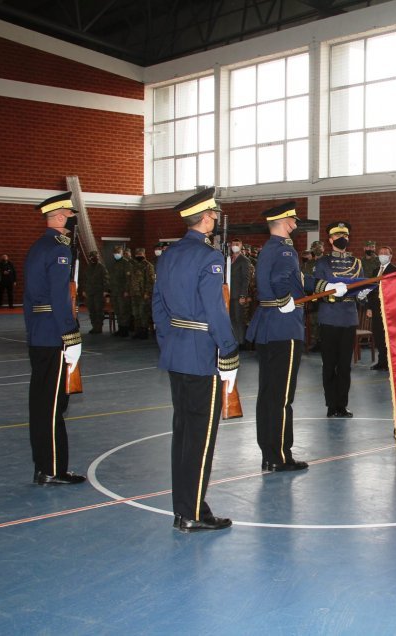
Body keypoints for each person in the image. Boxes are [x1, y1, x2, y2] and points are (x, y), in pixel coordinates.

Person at [152, 187, 239, 532]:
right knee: (201, 437)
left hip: (176, 351)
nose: (216, 220)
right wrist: (229, 349)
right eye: (214, 215)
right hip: (203, 353)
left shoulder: (169, 255)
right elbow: (215, 310)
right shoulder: (209, 258)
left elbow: (157, 306)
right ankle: (193, 512)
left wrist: (168, 339)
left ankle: (183, 507)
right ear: (205, 218)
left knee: (183, 433)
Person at [247, 202, 345, 471]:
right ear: (283, 222)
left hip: (269, 327)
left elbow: (299, 280)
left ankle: (269, 452)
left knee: (269, 394)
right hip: (284, 326)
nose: (294, 223)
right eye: (292, 219)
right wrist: (283, 299)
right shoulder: (285, 250)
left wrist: (328, 286)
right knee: (281, 397)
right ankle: (280, 456)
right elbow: (282, 281)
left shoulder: (270, 249)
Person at [23, 192, 85, 485]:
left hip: (39, 331)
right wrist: (71, 333)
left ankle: (44, 465)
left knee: (42, 402)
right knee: (52, 405)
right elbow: (61, 297)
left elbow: (28, 299)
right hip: (54, 333)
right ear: (59, 216)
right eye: (69, 217)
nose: (70, 223)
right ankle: (51, 469)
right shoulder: (59, 250)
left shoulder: (37, 247)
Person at [314, 221, 365, 418]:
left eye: (345, 235)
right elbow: (318, 290)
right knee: (329, 364)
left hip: (349, 318)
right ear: (331, 239)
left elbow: (361, 285)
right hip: (329, 317)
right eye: (338, 236)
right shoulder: (322, 263)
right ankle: (330, 404)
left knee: (345, 365)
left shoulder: (357, 263)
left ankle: (342, 404)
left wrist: (362, 294)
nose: (342, 238)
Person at [366, 245, 396, 370]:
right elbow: (371, 289)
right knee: (378, 335)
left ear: (390, 256)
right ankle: (382, 361)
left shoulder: (395, 270)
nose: (382, 255)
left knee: (388, 336)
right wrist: (369, 307)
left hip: (388, 308)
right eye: (380, 252)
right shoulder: (375, 271)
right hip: (375, 308)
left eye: (385, 253)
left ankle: (390, 363)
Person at [79, 250, 109, 334]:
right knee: (92, 310)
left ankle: (98, 327)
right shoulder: (88, 268)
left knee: (98, 310)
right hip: (89, 292)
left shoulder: (101, 267)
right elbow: (84, 280)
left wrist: (105, 291)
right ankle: (94, 326)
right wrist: (84, 290)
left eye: (95, 257)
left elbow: (106, 279)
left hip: (99, 292)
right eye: (91, 257)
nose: (93, 259)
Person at [229, 238, 252, 349]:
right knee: (232, 318)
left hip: (238, 294)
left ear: (241, 245)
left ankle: (241, 342)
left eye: (237, 244)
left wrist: (243, 295)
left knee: (239, 319)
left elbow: (246, 279)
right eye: (233, 244)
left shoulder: (244, 260)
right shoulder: (229, 259)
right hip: (229, 294)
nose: (235, 246)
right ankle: (234, 340)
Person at [303, 240, 325, 352]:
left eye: (319, 247)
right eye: (314, 247)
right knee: (313, 320)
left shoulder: (327, 262)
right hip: (312, 296)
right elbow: (305, 279)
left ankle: (324, 342)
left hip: (325, 295)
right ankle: (315, 341)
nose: (317, 249)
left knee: (324, 320)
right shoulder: (308, 264)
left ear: (323, 249)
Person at [129, 247, 155, 339]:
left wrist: (147, 292)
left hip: (143, 294)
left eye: (140, 254)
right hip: (134, 293)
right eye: (137, 254)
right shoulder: (132, 265)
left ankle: (144, 331)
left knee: (143, 313)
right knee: (136, 314)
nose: (138, 256)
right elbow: (130, 279)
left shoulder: (148, 266)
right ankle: (138, 331)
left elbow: (150, 281)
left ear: (144, 254)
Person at [108, 244, 132, 337]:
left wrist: (126, 290)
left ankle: (125, 329)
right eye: (115, 252)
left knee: (124, 311)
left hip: (122, 292)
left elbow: (128, 279)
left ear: (122, 253)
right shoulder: (114, 264)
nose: (116, 254)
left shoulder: (126, 264)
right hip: (115, 292)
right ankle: (120, 328)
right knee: (118, 311)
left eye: (118, 252)